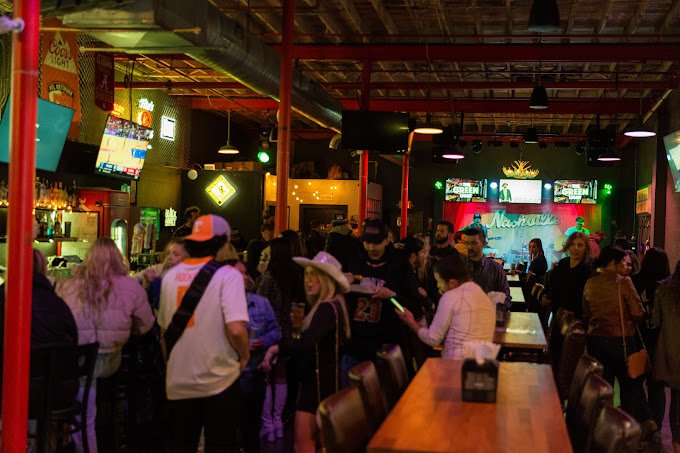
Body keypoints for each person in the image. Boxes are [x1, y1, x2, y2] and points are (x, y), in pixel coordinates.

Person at [158, 215, 250, 453]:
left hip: (180, 379)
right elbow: (236, 328)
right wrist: (244, 356)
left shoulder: (169, 277)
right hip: (218, 378)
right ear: (224, 242)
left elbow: (165, 331)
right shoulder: (227, 276)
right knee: (220, 444)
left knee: (183, 444)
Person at [58, 238, 155, 453]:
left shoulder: (71, 284)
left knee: (85, 411)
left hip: (78, 363)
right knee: (94, 400)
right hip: (111, 362)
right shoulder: (132, 285)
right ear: (117, 258)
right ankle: (110, 426)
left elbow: (61, 321)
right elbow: (147, 324)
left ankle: (83, 439)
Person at [260, 252, 351, 453]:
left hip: (317, 389)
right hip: (325, 385)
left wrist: (277, 347)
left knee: (304, 446)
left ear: (326, 279)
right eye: (307, 274)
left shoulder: (327, 309)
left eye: (314, 275)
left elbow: (305, 343)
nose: (308, 280)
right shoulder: (335, 305)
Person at [582, 245, 659, 443]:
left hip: (596, 341)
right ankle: (627, 433)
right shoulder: (623, 282)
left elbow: (586, 311)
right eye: (623, 263)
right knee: (630, 387)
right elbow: (638, 313)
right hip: (621, 343)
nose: (626, 267)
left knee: (604, 388)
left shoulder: (590, 282)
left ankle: (603, 431)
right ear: (614, 263)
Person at [343, 219, 424, 379]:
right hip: (356, 345)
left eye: (377, 243)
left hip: (388, 346)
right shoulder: (354, 259)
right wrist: (342, 283)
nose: (371, 248)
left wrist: (392, 296)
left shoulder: (399, 264)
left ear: (387, 239)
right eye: (367, 242)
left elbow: (414, 307)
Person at [0, 250, 78, 406]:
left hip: (14, 388)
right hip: (57, 390)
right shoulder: (58, 304)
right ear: (43, 269)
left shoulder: (5, 299)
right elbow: (73, 339)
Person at [396, 253, 495, 360]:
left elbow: (433, 339)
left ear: (452, 283)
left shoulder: (451, 296)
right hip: (483, 367)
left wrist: (411, 322)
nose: (438, 288)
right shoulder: (482, 295)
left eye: (439, 282)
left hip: (456, 367)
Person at [256, 237, 306, 441]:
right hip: (288, 335)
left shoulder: (268, 278)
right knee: (282, 377)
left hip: (269, 334)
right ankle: (278, 421)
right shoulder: (296, 276)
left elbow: (259, 306)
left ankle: (268, 424)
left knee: (267, 379)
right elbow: (298, 309)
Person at [229, 259, 281, 452]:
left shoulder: (261, 303)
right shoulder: (220, 305)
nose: (243, 277)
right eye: (237, 273)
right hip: (228, 376)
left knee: (252, 431)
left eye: (245, 272)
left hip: (254, 374)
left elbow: (276, 331)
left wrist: (265, 341)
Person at [634, 247, 671, 431]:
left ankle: (643, 419)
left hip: (638, 341)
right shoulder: (667, 289)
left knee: (634, 384)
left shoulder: (635, 282)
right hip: (660, 343)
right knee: (657, 387)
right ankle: (655, 425)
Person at [652, 260, 680, 452]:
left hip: (671, 349)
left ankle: (676, 442)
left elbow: (655, 320)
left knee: (676, 400)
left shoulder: (664, 290)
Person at [543, 231, 594, 319]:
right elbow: (553, 285)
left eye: (580, 245)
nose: (575, 248)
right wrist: (546, 296)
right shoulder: (563, 263)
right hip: (557, 314)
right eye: (572, 244)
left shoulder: (588, 269)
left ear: (586, 248)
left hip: (575, 319)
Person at [461, 227, 510, 309]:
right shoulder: (458, 267)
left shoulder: (496, 269)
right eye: (467, 243)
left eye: (473, 243)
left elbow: (506, 299)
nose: (469, 247)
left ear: (483, 243)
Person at [134, 238, 188, 309]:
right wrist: (145, 281)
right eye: (168, 253)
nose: (169, 257)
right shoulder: (160, 268)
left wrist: (156, 282)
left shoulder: (189, 279)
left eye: (176, 254)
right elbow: (133, 279)